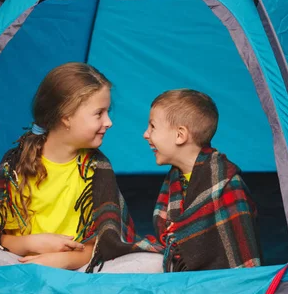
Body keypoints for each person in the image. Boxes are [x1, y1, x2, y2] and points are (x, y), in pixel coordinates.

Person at [0, 62, 163, 273]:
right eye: (99, 113)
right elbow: (1, 238)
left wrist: (61, 261)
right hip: (20, 263)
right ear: (66, 116)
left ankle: (30, 291)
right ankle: (50, 293)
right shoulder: (17, 163)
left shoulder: (97, 168)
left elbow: (103, 244)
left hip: (77, 270)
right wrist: (33, 243)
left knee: (153, 263)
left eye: (107, 112)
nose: (108, 122)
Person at [87, 89, 261, 272]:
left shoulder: (227, 184)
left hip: (222, 283)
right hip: (184, 275)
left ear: (180, 135)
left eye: (152, 126)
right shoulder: (175, 179)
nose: (145, 134)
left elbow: (243, 258)